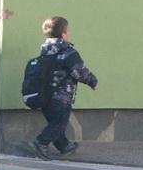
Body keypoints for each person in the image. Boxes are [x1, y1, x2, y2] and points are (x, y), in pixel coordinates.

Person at [30, 15, 98, 159]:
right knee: (59, 123)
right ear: (63, 33)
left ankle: (64, 146)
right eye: (67, 31)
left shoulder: (45, 52)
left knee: (55, 123)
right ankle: (41, 142)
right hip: (61, 96)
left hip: (44, 95)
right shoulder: (68, 53)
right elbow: (79, 72)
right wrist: (92, 80)